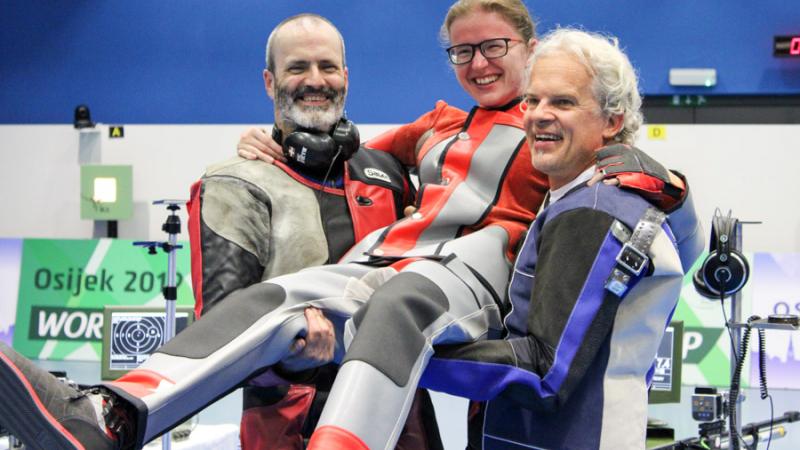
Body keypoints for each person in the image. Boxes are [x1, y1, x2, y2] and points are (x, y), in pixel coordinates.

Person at [0, 2, 698, 450]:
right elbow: (352, 148)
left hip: (469, 275)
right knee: (270, 300)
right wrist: (271, 145)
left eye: (496, 47)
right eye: (463, 52)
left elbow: (629, 163)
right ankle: (115, 416)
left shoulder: (558, 127)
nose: (480, 64)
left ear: (527, 44)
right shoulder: (438, 124)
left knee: (402, 307)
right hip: (381, 262)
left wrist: (652, 172)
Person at [335, 28, 698, 450]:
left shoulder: (593, 208)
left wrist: (395, 348)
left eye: (562, 102)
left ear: (612, 120)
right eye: (533, 100)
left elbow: (543, 371)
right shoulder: (587, 196)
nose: (538, 114)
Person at [186, 14, 438, 450]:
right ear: (270, 81)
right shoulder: (234, 184)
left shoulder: (388, 173)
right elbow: (219, 331)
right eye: (297, 67)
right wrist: (289, 356)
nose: (315, 80)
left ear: (346, 76)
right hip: (291, 423)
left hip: (402, 414)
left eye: (328, 66)